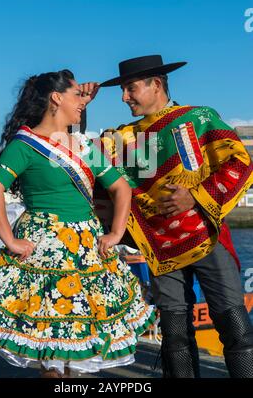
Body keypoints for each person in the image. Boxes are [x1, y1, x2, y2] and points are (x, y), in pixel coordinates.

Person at [0, 70, 156, 378]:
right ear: (56, 97)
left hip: (87, 251)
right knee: (50, 348)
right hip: (44, 252)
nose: (83, 102)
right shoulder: (25, 144)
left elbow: (121, 187)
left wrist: (116, 233)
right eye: (77, 95)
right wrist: (10, 241)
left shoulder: (84, 146)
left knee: (78, 348)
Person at [82, 54, 253, 378]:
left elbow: (240, 161)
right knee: (174, 336)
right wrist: (83, 110)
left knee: (236, 328)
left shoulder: (199, 119)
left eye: (130, 88)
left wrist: (195, 194)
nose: (124, 97)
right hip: (158, 246)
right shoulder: (120, 139)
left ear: (156, 84)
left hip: (207, 238)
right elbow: (84, 162)